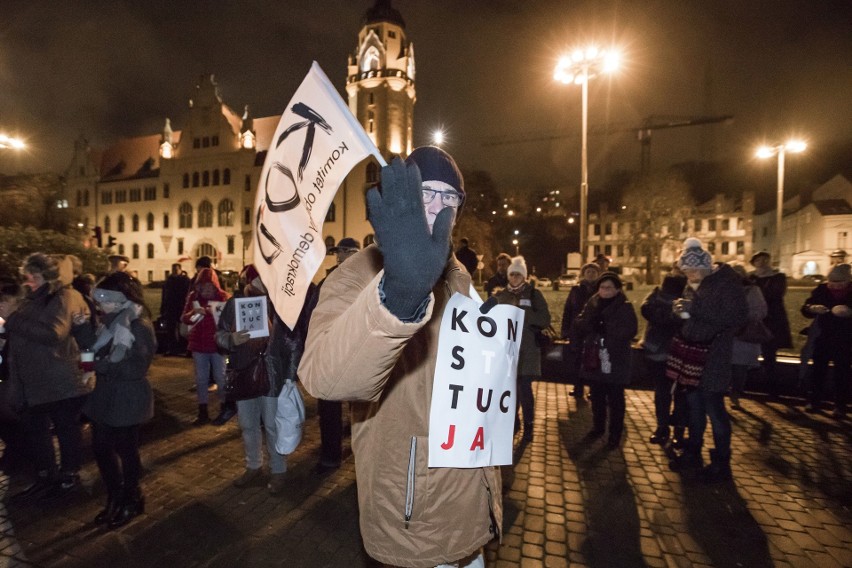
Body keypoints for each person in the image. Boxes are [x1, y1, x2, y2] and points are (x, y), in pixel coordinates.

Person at [299, 147, 501, 568]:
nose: (439, 208)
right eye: (428, 193)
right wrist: (398, 296)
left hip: (470, 498)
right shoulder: (356, 273)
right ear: (401, 196)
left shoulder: (459, 274)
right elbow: (322, 378)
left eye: (451, 199)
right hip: (416, 508)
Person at [5, 253, 93, 499]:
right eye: (26, 276)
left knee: (66, 429)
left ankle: (69, 474)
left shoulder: (65, 297)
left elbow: (54, 333)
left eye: (34, 276)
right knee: (37, 432)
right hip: (35, 382)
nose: (28, 281)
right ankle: (46, 475)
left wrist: (12, 319)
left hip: (61, 379)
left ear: (48, 276)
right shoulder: (31, 300)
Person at [76, 272, 155, 529]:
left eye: (105, 299)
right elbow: (92, 348)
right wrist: (80, 327)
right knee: (100, 448)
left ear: (121, 297)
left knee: (126, 451)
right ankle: (114, 496)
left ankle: (131, 498)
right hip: (106, 398)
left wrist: (101, 367)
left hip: (127, 399)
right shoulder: (109, 322)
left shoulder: (138, 325)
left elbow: (135, 368)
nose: (99, 305)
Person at [668, 239, 747, 483]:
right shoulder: (695, 284)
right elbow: (692, 312)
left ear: (706, 266)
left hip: (714, 356)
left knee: (714, 409)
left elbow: (736, 317)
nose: (689, 276)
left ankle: (721, 462)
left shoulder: (727, 284)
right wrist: (679, 310)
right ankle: (693, 451)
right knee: (694, 407)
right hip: (692, 354)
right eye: (685, 271)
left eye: (692, 271)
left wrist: (694, 309)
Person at [216, 265, 297, 494]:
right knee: (248, 425)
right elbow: (219, 334)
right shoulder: (235, 303)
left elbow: (292, 343)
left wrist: (290, 377)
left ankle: (278, 470)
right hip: (243, 370)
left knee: (272, 425)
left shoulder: (280, 304)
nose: (263, 283)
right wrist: (231, 339)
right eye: (258, 278)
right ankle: (253, 466)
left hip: (271, 373)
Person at [311, 237, 360, 474]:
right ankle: (331, 454)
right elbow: (313, 312)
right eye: (338, 253)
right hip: (329, 350)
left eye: (343, 253)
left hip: (358, 350)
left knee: (361, 406)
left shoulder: (369, 280)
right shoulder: (327, 280)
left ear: (355, 254)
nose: (339, 257)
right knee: (328, 405)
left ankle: (361, 450)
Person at [572, 272, 638, 449]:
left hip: (615, 359)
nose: (605, 290)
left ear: (617, 289)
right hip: (595, 357)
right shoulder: (593, 303)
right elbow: (579, 321)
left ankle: (614, 435)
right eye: (602, 287)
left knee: (616, 399)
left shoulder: (624, 306)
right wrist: (590, 324)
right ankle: (598, 427)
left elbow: (630, 329)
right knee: (597, 396)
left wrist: (606, 328)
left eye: (609, 287)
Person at [493, 255, 551, 442]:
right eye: (512, 275)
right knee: (509, 389)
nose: (515, 278)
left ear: (524, 276)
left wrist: (522, 314)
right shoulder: (501, 295)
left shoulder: (534, 295)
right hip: (507, 351)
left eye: (518, 275)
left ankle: (529, 425)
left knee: (524, 388)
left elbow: (544, 319)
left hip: (527, 349)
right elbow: (485, 315)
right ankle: (513, 421)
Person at [640, 265, 688, 445]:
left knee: (682, 392)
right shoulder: (660, 289)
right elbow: (646, 308)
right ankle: (662, 427)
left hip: (683, 348)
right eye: (678, 267)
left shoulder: (693, 290)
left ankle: (679, 430)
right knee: (662, 391)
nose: (680, 271)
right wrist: (668, 316)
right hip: (658, 347)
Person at [801, 263, 852, 417]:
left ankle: (840, 405)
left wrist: (849, 312)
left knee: (842, 371)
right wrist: (812, 308)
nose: (835, 286)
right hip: (823, 335)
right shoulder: (822, 289)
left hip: (846, 337)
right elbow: (806, 306)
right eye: (832, 283)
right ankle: (814, 401)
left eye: (839, 283)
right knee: (818, 369)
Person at [182, 267, 231, 425]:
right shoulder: (193, 297)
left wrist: (215, 312)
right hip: (199, 345)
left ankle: (224, 408)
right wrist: (193, 313)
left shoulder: (224, 297)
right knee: (201, 379)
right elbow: (185, 318)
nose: (206, 290)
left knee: (221, 378)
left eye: (209, 286)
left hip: (217, 346)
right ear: (198, 287)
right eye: (203, 287)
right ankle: (202, 411)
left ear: (215, 285)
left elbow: (231, 320)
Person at [748, 251, 792, 397]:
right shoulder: (751, 278)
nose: (762, 262)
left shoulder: (778, 277)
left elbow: (776, 294)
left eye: (765, 259)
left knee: (769, 353)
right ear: (754, 263)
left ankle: (771, 387)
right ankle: (750, 384)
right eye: (759, 260)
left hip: (772, 319)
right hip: (754, 318)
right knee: (750, 351)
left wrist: (756, 295)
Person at [0, 279, 29, 474]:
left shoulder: (21, 323)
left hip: (16, 380)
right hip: (7, 377)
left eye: (5, 301)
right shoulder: (7, 322)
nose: (1, 304)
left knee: (11, 420)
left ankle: (18, 457)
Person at [730, 264, 768, 409]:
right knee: (727, 366)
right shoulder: (723, 289)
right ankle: (727, 393)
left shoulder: (753, 290)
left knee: (739, 366)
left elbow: (761, 311)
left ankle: (735, 392)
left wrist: (743, 317)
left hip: (743, 334)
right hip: (727, 333)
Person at [561, 262, 600, 400]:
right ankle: (578, 387)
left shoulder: (600, 290)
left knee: (593, 360)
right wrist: (565, 330)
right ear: (583, 274)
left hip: (594, 330)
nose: (590, 274)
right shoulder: (576, 290)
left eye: (593, 272)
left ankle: (593, 389)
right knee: (577, 359)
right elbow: (568, 310)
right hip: (577, 329)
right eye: (588, 272)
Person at [161, 263, 191, 355]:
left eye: (176, 269)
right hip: (171, 307)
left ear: (180, 270)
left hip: (181, 307)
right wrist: (163, 308)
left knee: (183, 329)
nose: (174, 271)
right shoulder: (169, 281)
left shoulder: (185, 281)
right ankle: (173, 348)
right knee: (171, 329)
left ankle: (183, 348)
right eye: (173, 269)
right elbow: (165, 295)